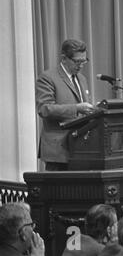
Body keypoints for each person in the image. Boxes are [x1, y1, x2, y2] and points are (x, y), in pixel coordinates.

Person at [35, 39, 96, 171]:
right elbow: (44, 109)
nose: (80, 65)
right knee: (58, 191)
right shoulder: (47, 77)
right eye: (77, 61)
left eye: (84, 61)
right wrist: (77, 108)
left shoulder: (82, 79)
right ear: (64, 58)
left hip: (81, 149)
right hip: (58, 150)